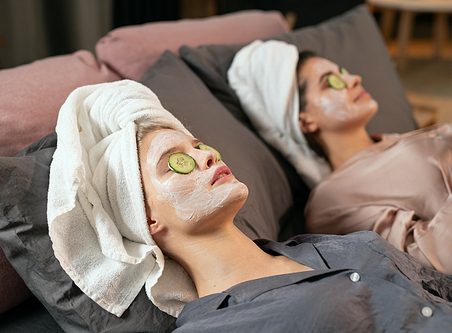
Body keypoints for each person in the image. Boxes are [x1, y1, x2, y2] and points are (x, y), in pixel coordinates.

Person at [48, 79, 452, 332]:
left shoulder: (337, 246)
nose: (207, 155)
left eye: (199, 145)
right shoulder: (221, 326)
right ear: (146, 219)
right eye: (176, 161)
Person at [227, 39, 452, 276]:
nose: (353, 78)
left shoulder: (396, 139)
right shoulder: (332, 202)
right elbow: (431, 260)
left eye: (343, 72)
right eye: (330, 82)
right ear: (305, 121)